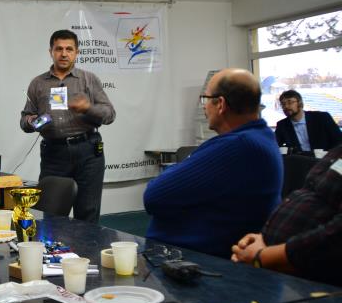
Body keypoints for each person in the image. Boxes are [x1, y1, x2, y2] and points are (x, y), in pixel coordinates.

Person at [144, 68, 283, 257]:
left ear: (221, 104)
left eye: (206, 99)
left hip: (192, 262)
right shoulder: (260, 137)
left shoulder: (238, 146)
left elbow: (154, 195)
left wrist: (179, 168)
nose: (204, 106)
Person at [20, 29, 116, 223]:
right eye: (59, 49)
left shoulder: (89, 79)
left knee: (87, 213)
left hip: (88, 151)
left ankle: (86, 245)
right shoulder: (38, 83)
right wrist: (32, 121)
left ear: (77, 52)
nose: (64, 54)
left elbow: (109, 114)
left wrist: (88, 108)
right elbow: (24, 120)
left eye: (69, 49)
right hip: (53, 154)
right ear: (51, 52)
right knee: (49, 213)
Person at [231, 144, 341, 286]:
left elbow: (336, 236)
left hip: (313, 283)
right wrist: (263, 239)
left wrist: (262, 256)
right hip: (278, 268)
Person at [274, 89, 342, 154]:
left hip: (324, 159)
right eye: (283, 104)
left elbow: (339, 141)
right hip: (298, 160)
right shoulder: (282, 125)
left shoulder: (322, 117)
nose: (286, 106)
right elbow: (274, 145)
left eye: (290, 102)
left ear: (300, 103)